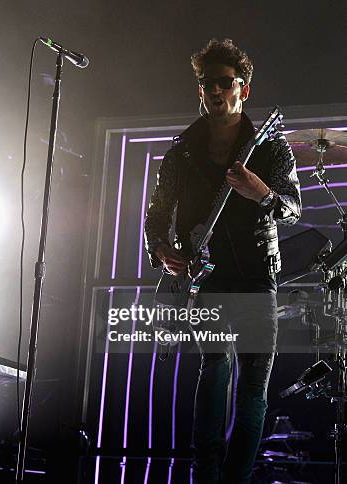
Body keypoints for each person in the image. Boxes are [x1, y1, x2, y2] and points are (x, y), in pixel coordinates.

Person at [144, 39, 301, 483]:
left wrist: (262, 193)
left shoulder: (269, 148)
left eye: (224, 82)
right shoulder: (183, 150)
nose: (214, 90)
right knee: (215, 367)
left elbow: (292, 207)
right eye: (205, 83)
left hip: (256, 276)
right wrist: (160, 250)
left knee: (253, 390)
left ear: (243, 90)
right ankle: (206, 475)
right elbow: (156, 213)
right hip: (208, 280)